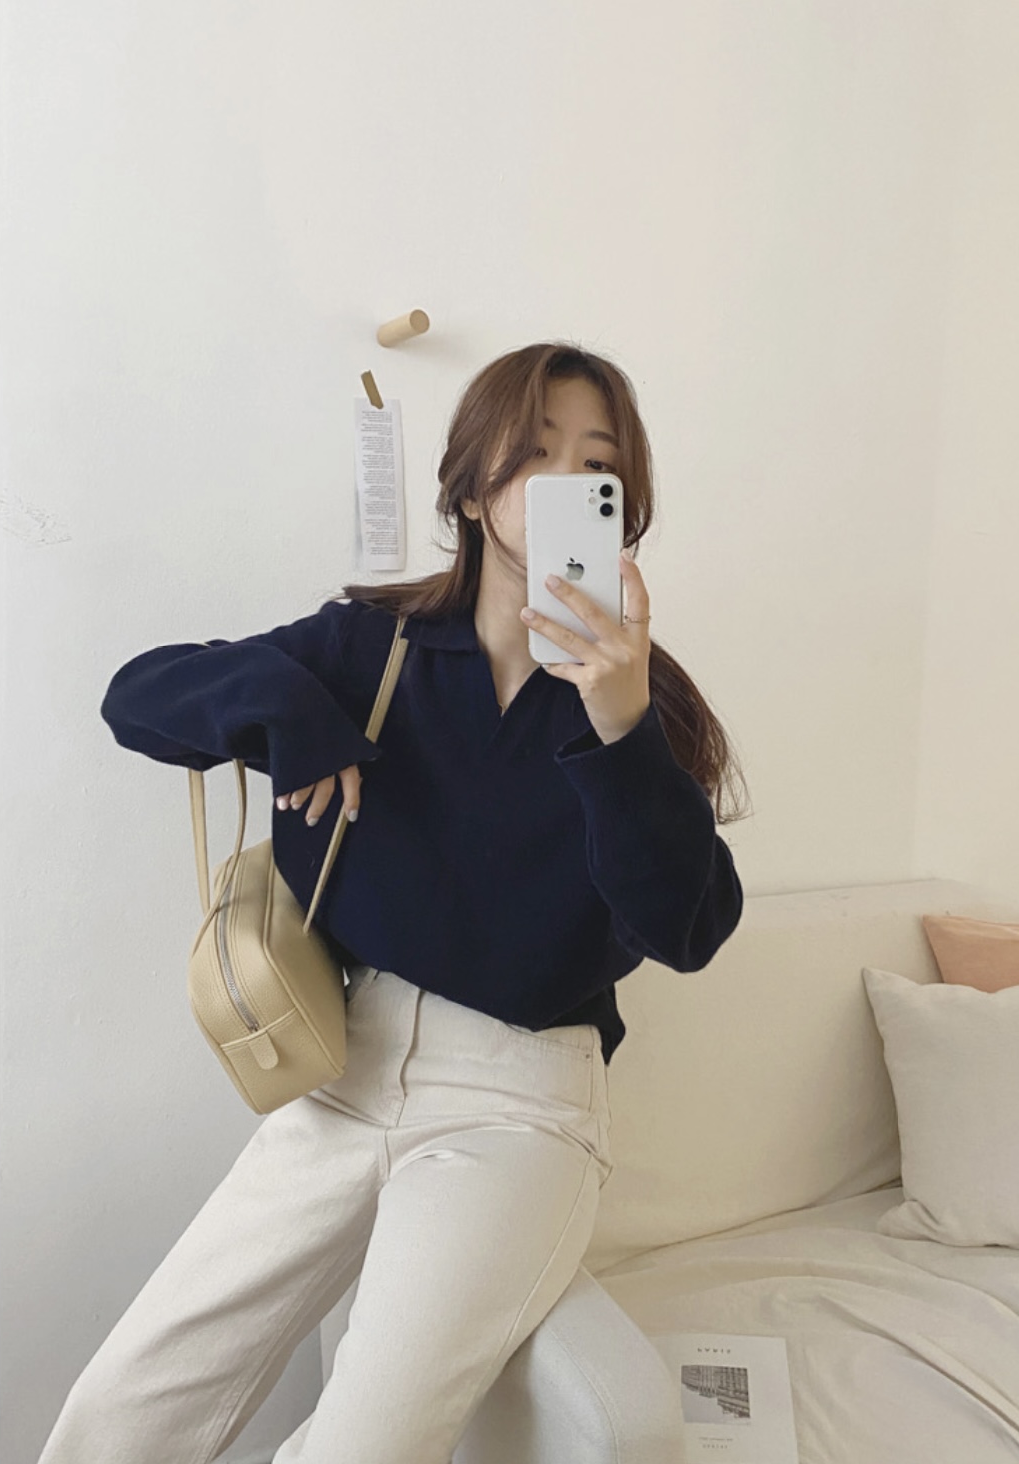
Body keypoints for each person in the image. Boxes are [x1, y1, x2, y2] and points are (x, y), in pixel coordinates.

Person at [37, 341, 749, 1464]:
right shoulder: (373, 650)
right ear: (472, 489)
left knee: (362, 1445)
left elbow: (690, 927)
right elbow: (141, 695)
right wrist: (298, 715)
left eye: (596, 464)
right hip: (340, 1068)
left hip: (520, 1105)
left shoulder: (639, 702)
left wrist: (618, 728)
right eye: (536, 452)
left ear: (624, 504)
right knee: (129, 1402)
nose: (565, 479)